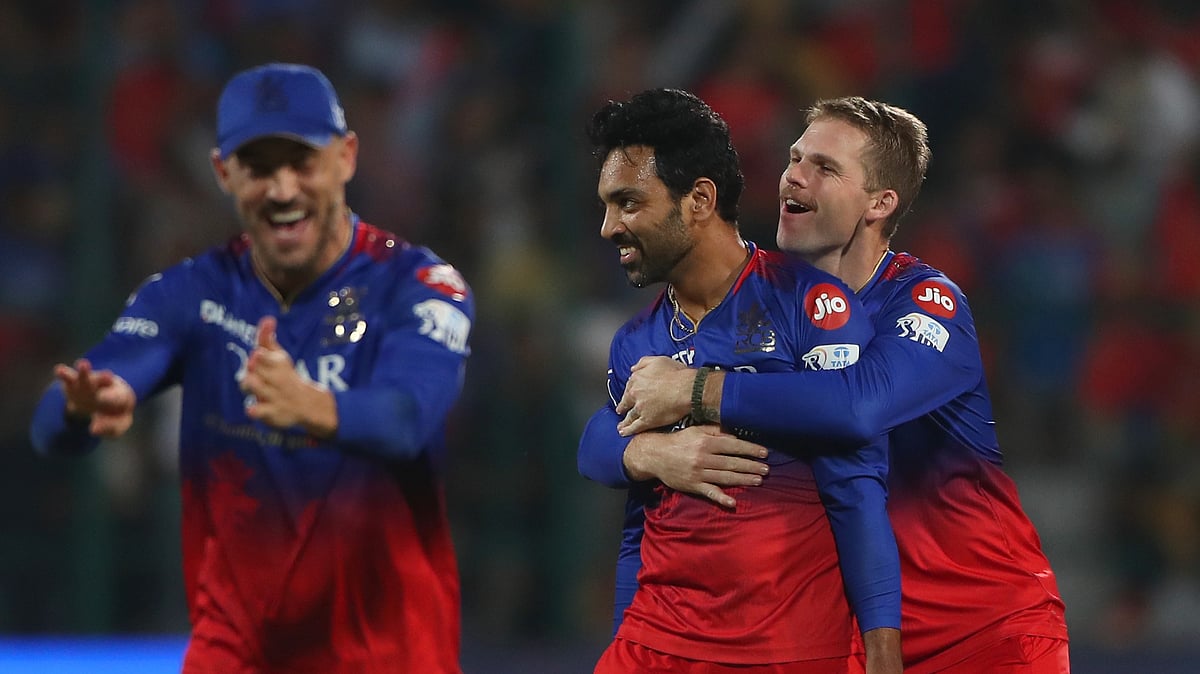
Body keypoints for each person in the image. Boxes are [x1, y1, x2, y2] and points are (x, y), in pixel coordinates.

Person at [583, 96, 1071, 672]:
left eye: (825, 167)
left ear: (879, 203)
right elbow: (606, 430)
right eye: (795, 158)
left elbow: (855, 407)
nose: (795, 176)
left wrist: (696, 390)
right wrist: (645, 451)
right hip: (857, 635)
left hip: (983, 631)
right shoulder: (770, 307)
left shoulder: (923, 301)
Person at [29, 63, 474, 673]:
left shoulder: (418, 285)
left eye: (302, 162)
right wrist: (83, 408)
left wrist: (311, 406)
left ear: (345, 158)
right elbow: (54, 422)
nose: (283, 189)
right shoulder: (191, 293)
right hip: (237, 654)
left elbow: (407, 419)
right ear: (223, 173)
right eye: (259, 168)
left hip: (389, 654)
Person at [581, 88, 902, 674]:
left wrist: (882, 648)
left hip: (783, 651)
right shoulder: (635, 342)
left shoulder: (808, 305)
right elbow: (638, 524)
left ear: (699, 200)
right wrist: (648, 453)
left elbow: (855, 487)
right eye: (606, 206)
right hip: (654, 648)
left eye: (627, 202)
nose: (608, 228)